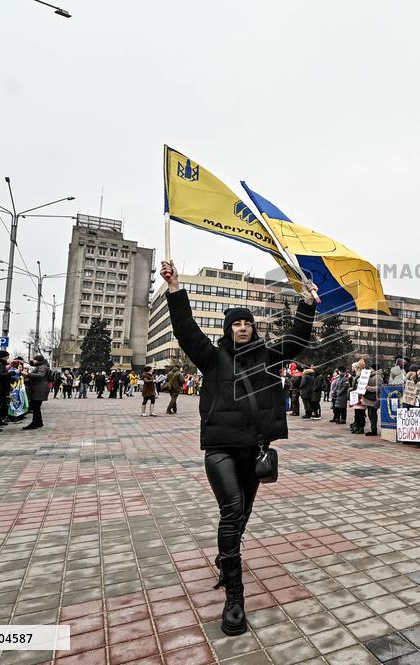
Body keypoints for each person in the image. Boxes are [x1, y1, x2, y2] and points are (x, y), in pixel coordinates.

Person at [160, 259, 316, 636]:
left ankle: (225, 557)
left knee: (242, 514)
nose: (242, 327)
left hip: (254, 450)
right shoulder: (211, 358)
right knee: (232, 511)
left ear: (253, 327)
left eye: (247, 322)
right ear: (228, 329)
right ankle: (234, 596)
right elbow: (185, 330)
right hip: (220, 449)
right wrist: (175, 287)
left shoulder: (268, 357)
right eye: (236, 323)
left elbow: (296, 339)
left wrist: (308, 304)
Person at [24, 355, 50, 430]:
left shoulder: (42, 366)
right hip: (39, 389)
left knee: (35, 406)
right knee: (36, 407)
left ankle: (35, 423)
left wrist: (28, 374)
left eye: (34, 360)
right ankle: (38, 422)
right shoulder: (43, 366)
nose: (33, 361)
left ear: (38, 360)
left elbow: (40, 375)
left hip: (39, 389)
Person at [362, 364, 380, 436]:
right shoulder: (370, 376)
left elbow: (379, 388)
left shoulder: (378, 377)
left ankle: (374, 429)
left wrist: (368, 388)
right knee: (370, 414)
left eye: (370, 368)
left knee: (372, 414)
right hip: (369, 398)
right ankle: (372, 429)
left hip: (374, 398)